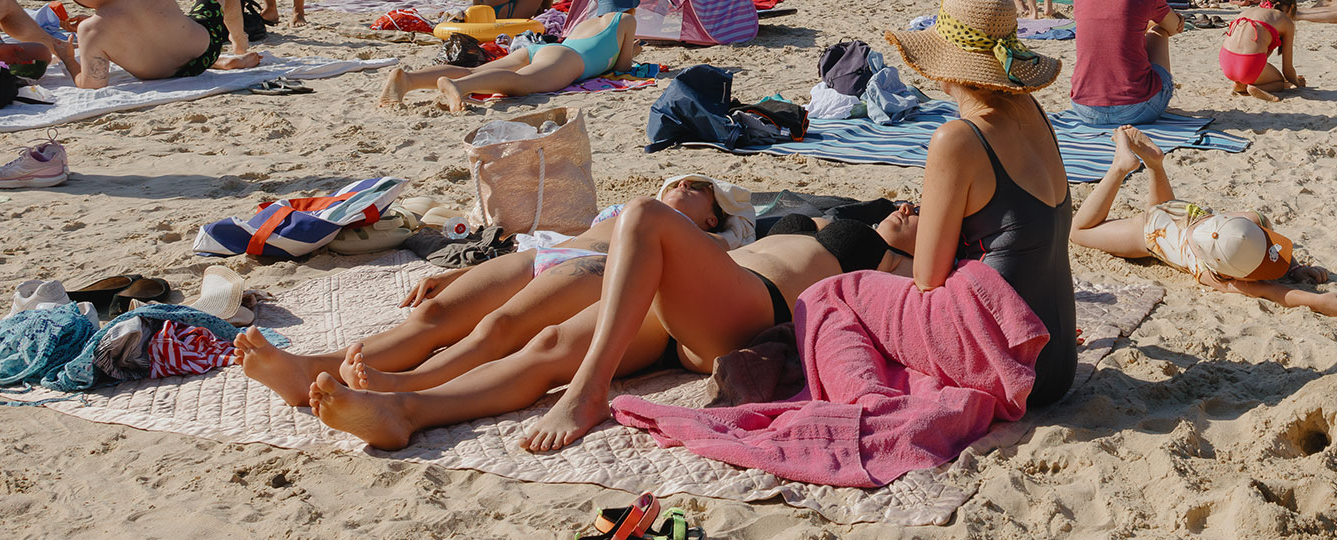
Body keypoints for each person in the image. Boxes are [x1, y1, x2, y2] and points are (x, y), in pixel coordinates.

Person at [288, 191, 920, 453]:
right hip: (691, 305)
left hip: (752, 307)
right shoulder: (818, 213)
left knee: (644, 214)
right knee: (551, 343)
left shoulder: (898, 258)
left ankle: (589, 396)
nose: (909, 204)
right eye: (906, 201)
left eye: (918, 208)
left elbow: (904, 303)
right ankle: (409, 407)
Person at [235, 175, 746, 407]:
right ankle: (307, 370)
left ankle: (409, 389)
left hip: (600, 271)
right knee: (432, 317)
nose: (684, 187)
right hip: (551, 254)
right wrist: (464, 272)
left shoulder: (711, 245)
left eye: (700, 189)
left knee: (497, 330)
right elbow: (565, 238)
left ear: (714, 215)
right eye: (680, 181)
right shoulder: (624, 209)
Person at [887, 0, 1076, 411]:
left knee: (843, 295)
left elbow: (927, 280)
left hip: (1009, 369)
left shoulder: (958, 139)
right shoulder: (1033, 111)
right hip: (1058, 362)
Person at [1071, 127, 1337, 316]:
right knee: (1079, 231)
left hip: (1184, 212)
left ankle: (1156, 165)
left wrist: (1296, 267)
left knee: (1160, 208)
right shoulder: (1215, 275)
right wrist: (1318, 302)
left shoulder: (1248, 220)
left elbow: (1264, 230)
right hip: (1150, 233)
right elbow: (1274, 292)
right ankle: (1120, 167)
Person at [378, 0, 643, 112]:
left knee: (478, 70)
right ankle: (459, 86)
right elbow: (622, 67)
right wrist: (634, 50)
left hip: (544, 49)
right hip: (568, 60)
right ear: (628, 4)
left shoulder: (588, 21)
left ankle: (408, 80)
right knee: (521, 83)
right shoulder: (625, 20)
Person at [50, 0, 257, 87]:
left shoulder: (90, 30)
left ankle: (230, 56)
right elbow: (156, 22)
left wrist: (68, 58)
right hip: (206, 50)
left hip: (164, 76)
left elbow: (92, 85)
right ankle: (239, 43)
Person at [1068, 0, 1182, 126]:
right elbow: (1173, 28)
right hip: (1136, 109)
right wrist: (1160, 24)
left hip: (1085, 108)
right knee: (1158, 32)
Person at [1218, 0, 1303, 102]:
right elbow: (1287, 70)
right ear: (1291, 7)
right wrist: (1297, 83)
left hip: (1226, 61)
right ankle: (1256, 87)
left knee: (1250, 72)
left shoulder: (1251, 10)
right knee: (1279, 82)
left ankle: (1240, 85)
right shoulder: (1285, 21)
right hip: (1248, 65)